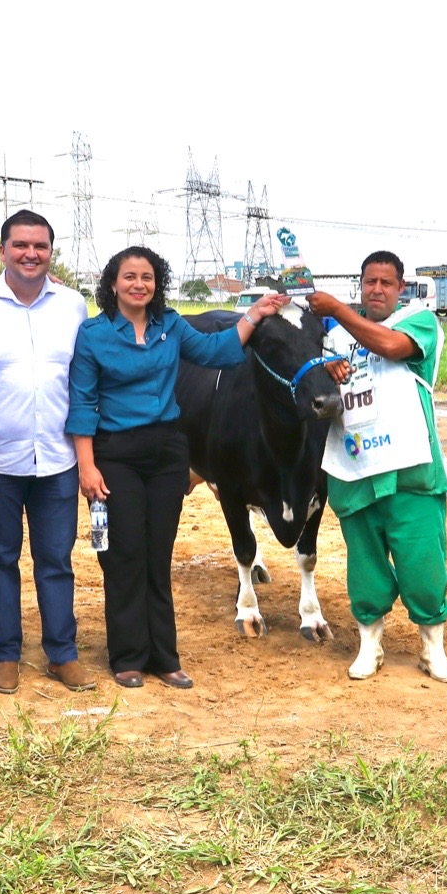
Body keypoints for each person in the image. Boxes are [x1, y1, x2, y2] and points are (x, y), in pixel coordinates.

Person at [67, 246, 290, 688]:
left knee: (158, 553)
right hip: (116, 454)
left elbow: (215, 350)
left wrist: (256, 314)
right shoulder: (93, 334)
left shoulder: (171, 325)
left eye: (147, 277)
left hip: (168, 452)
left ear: (157, 283)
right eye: (129, 276)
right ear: (113, 284)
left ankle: (164, 657)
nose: (138, 284)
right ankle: (128, 656)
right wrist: (86, 467)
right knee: (124, 552)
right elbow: (81, 403)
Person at [0, 211, 95, 696]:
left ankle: (62, 653)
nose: (30, 254)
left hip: (57, 458)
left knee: (56, 559)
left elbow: (83, 377)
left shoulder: (73, 305)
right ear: (2, 251)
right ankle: (7, 653)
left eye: (40, 246)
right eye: (20, 245)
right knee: (0, 558)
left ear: (50, 252)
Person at [307, 252, 447, 682]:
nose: (377, 289)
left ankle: (433, 649)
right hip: (354, 468)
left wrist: (336, 308)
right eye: (369, 281)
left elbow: (391, 347)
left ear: (400, 287)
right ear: (361, 284)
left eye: (386, 283)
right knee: (365, 567)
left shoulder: (420, 321)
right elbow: (316, 386)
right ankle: (369, 645)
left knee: (423, 563)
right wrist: (328, 368)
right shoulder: (333, 337)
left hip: (411, 468)